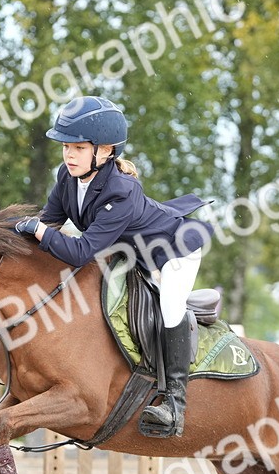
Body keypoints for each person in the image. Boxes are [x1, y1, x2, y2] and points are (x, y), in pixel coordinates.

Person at [14, 95, 212, 439]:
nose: (69, 155)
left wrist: (40, 230)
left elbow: (80, 251)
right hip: (130, 254)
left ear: (105, 151)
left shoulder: (122, 190)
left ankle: (175, 404)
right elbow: (50, 222)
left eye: (77, 147)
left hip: (174, 249)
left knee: (169, 307)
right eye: (65, 147)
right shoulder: (66, 176)